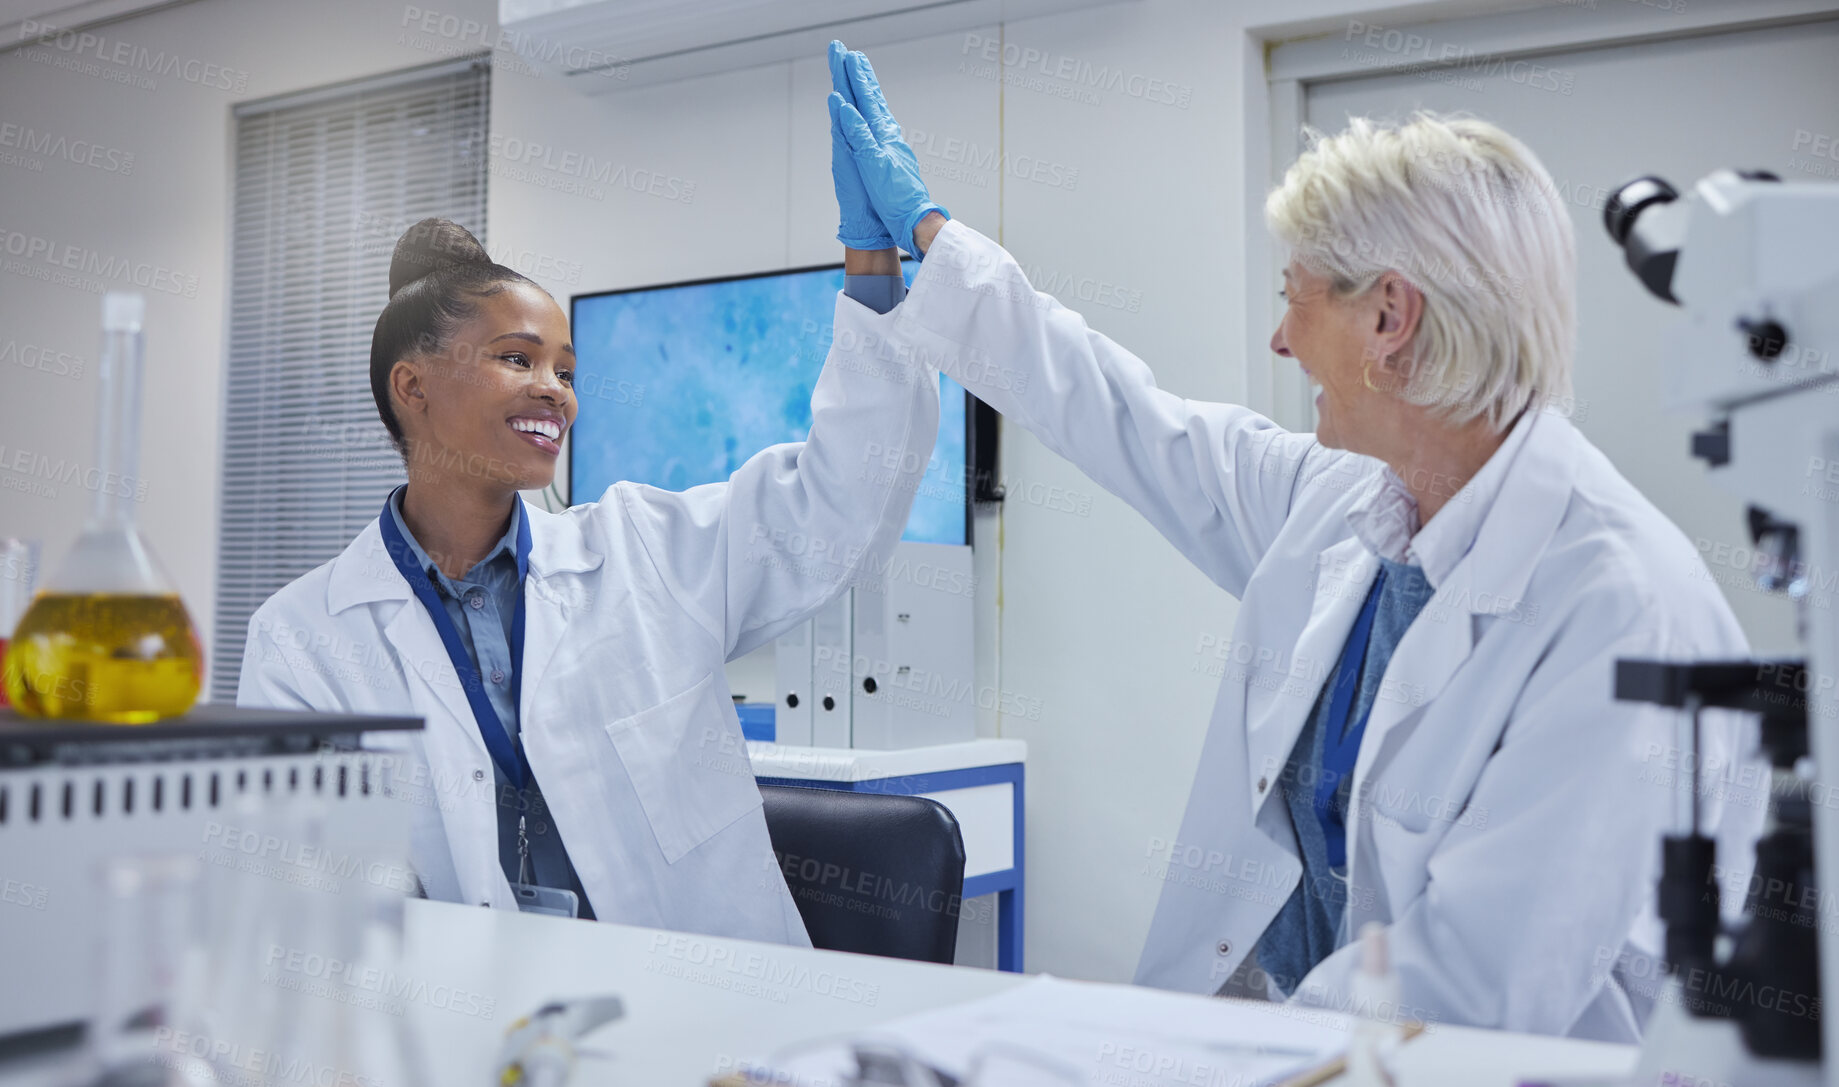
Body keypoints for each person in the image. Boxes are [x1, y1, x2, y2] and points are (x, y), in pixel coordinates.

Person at [823, 42, 1763, 1038]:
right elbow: (1122, 417)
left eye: (1295, 293)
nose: (1280, 337)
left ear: (1389, 317)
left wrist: (1186, 1055)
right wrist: (927, 236)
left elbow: (1471, 991)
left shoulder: (1615, 605)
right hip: (1301, 1045)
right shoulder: (1352, 501)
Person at [236, 204, 938, 942]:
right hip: (467, 1022)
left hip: (705, 1013)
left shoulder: (647, 551)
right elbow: (308, 895)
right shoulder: (302, 637)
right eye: (517, 358)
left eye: (564, 370)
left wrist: (871, 268)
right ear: (413, 388)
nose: (555, 391)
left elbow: (841, 500)